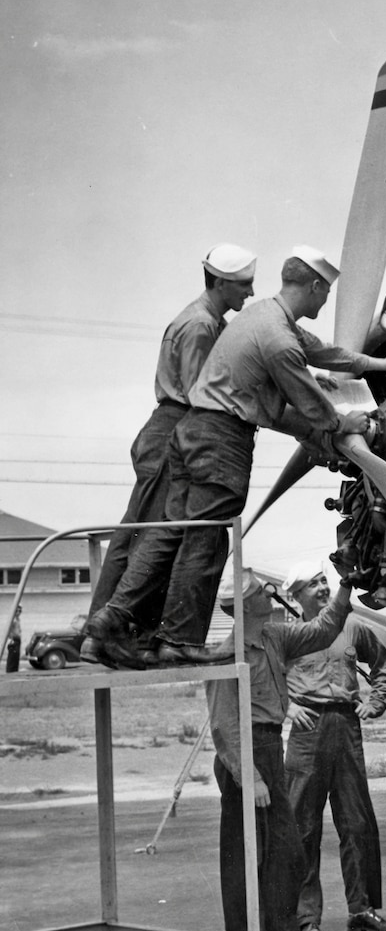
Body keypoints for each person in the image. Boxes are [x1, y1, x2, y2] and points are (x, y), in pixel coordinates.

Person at [86, 246, 386, 665]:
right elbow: (310, 401)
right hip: (221, 440)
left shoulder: (264, 315)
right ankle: (178, 640)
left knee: (172, 530)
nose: (325, 302)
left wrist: (382, 363)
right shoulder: (280, 339)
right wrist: (344, 425)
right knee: (205, 538)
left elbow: (322, 352)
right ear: (316, 287)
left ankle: (110, 620)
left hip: (190, 434)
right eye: (325, 293)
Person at [83, 244, 256, 665]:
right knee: (151, 535)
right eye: (242, 285)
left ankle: (109, 633)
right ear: (218, 283)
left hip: (169, 426)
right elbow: (205, 394)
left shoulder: (202, 319)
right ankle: (106, 632)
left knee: (145, 533)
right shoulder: (201, 326)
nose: (249, 293)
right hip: (177, 426)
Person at [205, 567, 354, 931]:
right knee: (246, 856)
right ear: (243, 606)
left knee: (285, 849)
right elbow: (224, 725)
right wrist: (248, 776)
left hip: (270, 746)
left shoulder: (274, 637)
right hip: (246, 755)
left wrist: (346, 585)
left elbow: (321, 631)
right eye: (258, 591)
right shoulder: (226, 653)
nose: (267, 594)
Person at [283, 561, 386, 931]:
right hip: (307, 732)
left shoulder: (351, 627)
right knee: (303, 826)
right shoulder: (290, 634)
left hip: (346, 727)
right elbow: (263, 676)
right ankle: (304, 918)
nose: (321, 588)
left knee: (357, 822)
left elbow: (382, 663)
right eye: (311, 584)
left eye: (323, 581)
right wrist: (288, 705)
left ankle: (363, 908)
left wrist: (377, 701)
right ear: (294, 596)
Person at [5, 605, 20, 674]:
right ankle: (10, 672)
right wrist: (12, 638)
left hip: (17, 640)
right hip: (14, 640)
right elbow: (8, 630)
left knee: (15, 658)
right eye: (17, 611)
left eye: (20, 611)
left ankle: (14, 671)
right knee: (12, 658)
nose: (18, 612)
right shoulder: (13, 620)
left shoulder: (17, 619)